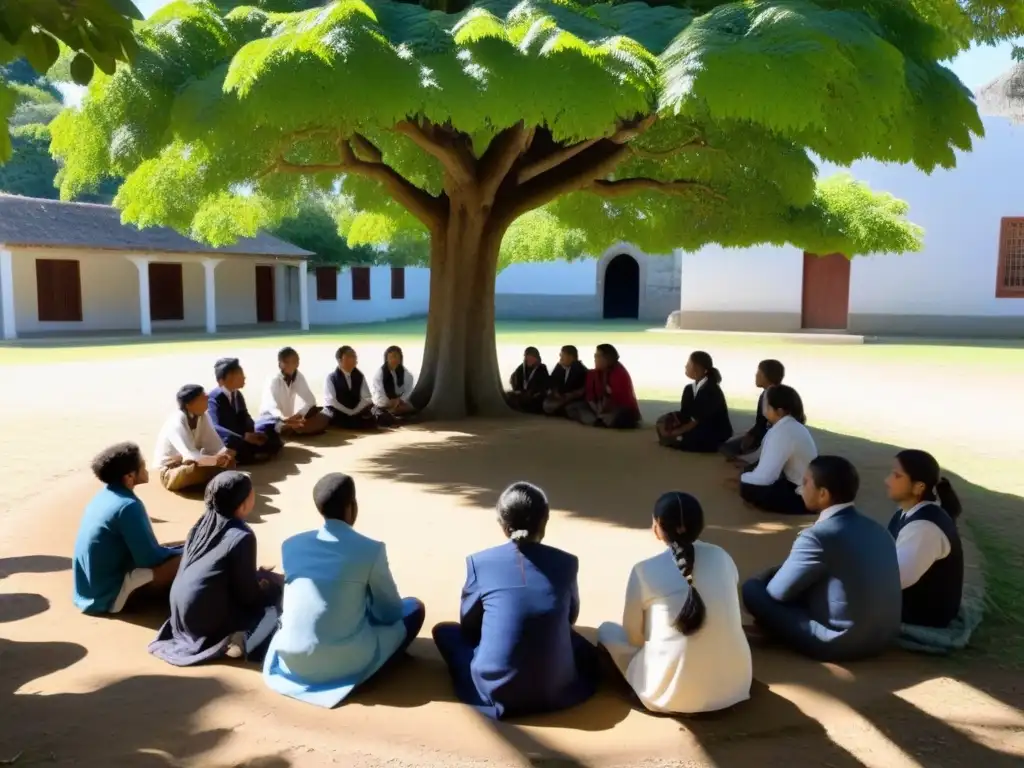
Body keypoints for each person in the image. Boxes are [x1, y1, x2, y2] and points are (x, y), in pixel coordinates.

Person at [432, 482, 599, 720]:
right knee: (579, 644)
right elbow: (570, 617)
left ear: (503, 524)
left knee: (444, 632)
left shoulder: (479, 562)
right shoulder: (567, 563)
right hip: (557, 692)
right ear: (545, 521)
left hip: (495, 693)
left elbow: (468, 625)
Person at [263, 473, 424, 708]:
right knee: (414, 608)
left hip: (291, 658)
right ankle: (366, 672)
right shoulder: (371, 549)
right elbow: (389, 612)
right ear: (352, 506)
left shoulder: (291, 544)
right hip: (343, 662)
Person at [597, 492, 751, 715]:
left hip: (670, 697)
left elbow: (634, 637)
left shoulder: (644, 570)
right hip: (735, 687)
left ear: (658, 527)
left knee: (607, 631)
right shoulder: (723, 557)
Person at [741, 456, 902, 662]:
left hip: (839, 643)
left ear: (823, 494)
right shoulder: (878, 529)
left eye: (806, 482)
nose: (801, 487)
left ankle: (772, 629)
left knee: (753, 590)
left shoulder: (818, 535)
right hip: (884, 639)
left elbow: (777, 593)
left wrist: (768, 575)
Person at [149, 471, 283, 666]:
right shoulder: (242, 536)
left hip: (181, 619)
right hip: (206, 623)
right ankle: (243, 641)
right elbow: (248, 596)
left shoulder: (201, 525)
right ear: (243, 503)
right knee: (274, 606)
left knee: (265, 581)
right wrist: (267, 588)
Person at [73, 442, 183, 615]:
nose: (146, 468)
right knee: (196, 555)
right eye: (143, 465)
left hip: (89, 590)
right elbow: (150, 559)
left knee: (182, 546)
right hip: (107, 595)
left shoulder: (103, 496)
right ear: (130, 476)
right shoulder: (128, 506)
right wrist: (184, 552)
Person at [885, 450, 964, 628]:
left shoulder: (924, 528)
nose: (887, 481)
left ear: (918, 487)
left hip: (923, 613)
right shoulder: (907, 513)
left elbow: (892, 579)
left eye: (896, 476)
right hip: (908, 600)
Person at [737, 385, 818, 515]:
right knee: (749, 472)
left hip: (804, 496)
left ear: (779, 411)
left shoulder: (783, 431)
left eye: (767, 406)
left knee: (748, 488)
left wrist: (744, 478)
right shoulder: (790, 425)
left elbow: (766, 477)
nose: (765, 409)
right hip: (802, 484)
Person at [153, 384, 235, 492]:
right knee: (195, 468)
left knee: (228, 461)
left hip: (192, 462)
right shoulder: (176, 421)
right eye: (202, 397)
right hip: (171, 471)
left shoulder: (203, 416)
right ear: (189, 404)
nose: (207, 398)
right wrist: (215, 461)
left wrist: (225, 457)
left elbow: (216, 447)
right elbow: (190, 456)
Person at [208, 357, 283, 464]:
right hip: (227, 440)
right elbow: (214, 427)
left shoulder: (237, 394)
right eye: (240, 374)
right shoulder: (214, 398)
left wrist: (251, 433)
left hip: (242, 436)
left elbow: (245, 416)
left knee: (271, 437)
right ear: (229, 377)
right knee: (237, 445)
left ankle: (250, 454)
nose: (244, 377)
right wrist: (244, 436)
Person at [655, 351, 733, 452]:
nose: (685, 366)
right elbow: (685, 414)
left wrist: (676, 432)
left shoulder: (711, 389)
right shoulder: (689, 389)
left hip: (712, 429)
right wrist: (670, 422)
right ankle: (678, 439)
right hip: (695, 425)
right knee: (663, 421)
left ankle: (679, 439)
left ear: (696, 367)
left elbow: (698, 419)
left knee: (694, 437)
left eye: (688, 363)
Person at [721, 359, 785, 463]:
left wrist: (753, 437)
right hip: (761, 435)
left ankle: (755, 457)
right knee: (726, 447)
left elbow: (771, 426)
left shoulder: (777, 396)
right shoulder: (765, 394)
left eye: (759, 373)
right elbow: (760, 422)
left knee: (734, 451)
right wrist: (750, 434)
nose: (756, 375)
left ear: (767, 376)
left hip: (771, 438)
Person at [259, 346, 330, 437]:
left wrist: (299, 415)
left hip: (290, 419)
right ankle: (291, 428)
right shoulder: (273, 379)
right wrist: (284, 418)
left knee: (318, 412)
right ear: (280, 364)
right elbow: (271, 406)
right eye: (288, 362)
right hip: (273, 417)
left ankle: (294, 428)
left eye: (295, 361)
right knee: (271, 423)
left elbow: (310, 400)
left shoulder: (298, 376)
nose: (293, 365)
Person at [565, 344, 641, 429]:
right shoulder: (593, 373)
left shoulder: (619, 373)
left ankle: (599, 420)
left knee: (623, 417)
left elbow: (618, 399)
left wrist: (603, 410)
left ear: (607, 358)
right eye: (595, 356)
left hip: (618, 409)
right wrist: (597, 409)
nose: (595, 359)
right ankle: (599, 420)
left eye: (597, 356)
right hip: (597, 408)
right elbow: (589, 396)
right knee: (572, 408)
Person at [323, 346, 377, 430]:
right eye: (349, 356)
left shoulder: (359, 376)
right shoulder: (331, 377)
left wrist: (354, 411)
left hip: (356, 411)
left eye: (354, 356)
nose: (353, 358)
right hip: (339, 411)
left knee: (372, 415)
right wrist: (348, 412)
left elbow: (366, 398)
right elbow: (332, 401)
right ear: (339, 360)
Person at [370, 345, 418, 426]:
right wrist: (391, 402)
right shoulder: (380, 374)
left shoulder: (406, 374)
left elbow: (408, 390)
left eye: (396, 357)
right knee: (383, 411)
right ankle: (389, 415)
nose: (394, 360)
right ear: (386, 359)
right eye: (391, 357)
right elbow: (379, 392)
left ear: (400, 359)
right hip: (383, 403)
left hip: (399, 402)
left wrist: (400, 400)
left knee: (411, 409)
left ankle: (393, 415)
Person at [542, 345, 589, 417]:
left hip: (572, 399)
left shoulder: (579, 369)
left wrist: (565, 396)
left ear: (571, 357)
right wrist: (555, 391)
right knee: (546, 403)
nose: (561, 358)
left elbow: (575, 389)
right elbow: (552, 381)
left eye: (563, 356)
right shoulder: (560, 367)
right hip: (560, 398)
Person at [506, 346, 550, 413]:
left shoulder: (542, 369)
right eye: (527, 358)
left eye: (531, 358)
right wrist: (518, 389)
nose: (528, 360)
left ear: (536, 358)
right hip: (522, 392)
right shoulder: (522, 367)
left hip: (534, 394)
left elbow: (543, 386)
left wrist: (531, 392)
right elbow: (513, 378)